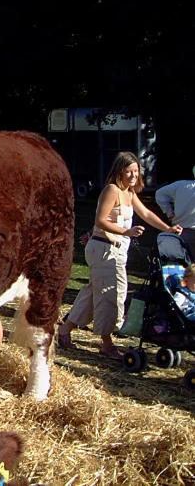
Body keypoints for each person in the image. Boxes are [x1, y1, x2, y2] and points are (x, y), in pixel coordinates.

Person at [57, 151, 183, 359]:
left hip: (115, 250)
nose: (133, 175)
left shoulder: (129, 192)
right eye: (129, 171)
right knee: (110, 294)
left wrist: (167, 229)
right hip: (105, 250)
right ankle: (106, 344)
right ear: (119, 171)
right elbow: (100, 220)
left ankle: (64, 331)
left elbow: (147, 214)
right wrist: (126, 232)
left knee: (94, 293)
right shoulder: (112, 190)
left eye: (136, 171)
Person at [155, 166, 195, 257]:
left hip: (179, 232)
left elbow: (159, 194)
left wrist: (169, 212)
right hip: (181, 231)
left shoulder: (180, 185)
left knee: (180, 265)